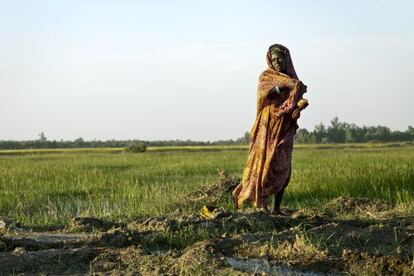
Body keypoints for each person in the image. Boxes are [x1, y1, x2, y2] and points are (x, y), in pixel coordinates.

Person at [232, 43, 309, 215]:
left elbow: (295, 100)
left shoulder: (293, 79)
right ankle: (263, 205)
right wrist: (282, 86)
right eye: (274, 59)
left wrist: (298, 106)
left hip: (284, 126)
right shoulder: (266, 76)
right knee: (265, 162)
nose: (277, 62)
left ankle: (276, 208)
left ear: (286, 60)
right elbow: (263, 94)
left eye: (280, 59)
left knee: (283, 165)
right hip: (267, 126)